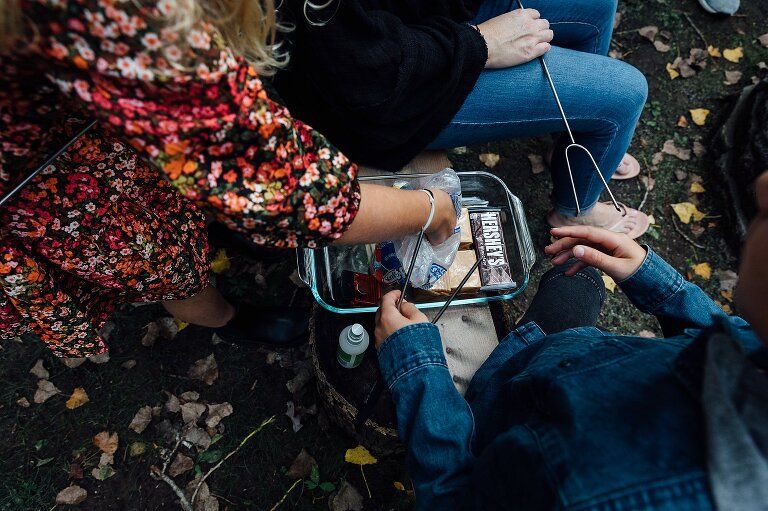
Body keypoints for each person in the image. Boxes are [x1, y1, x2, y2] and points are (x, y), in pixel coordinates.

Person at [0, 0, 458, 356]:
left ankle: (216, 229)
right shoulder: (111, 20)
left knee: (184, 206)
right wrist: (431, 211)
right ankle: (225, 318)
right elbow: (292, 193)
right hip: (47, 191)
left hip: (78, 127)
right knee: (165, 264)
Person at [372, 171, 768, 510]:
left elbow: (453, 499)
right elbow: (731, 336)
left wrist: (417, 368)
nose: (764, 185)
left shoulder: (594, 487)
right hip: (565, 361)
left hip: (497, 425)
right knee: (580, 280)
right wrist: (657, 282)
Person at [274, 0, 651, 238]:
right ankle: (575, 214)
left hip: (425, 19)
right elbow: (369, 76)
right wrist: (480, 43)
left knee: (597, 5)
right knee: (624, 94)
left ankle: (570, 148)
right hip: (386, 97)